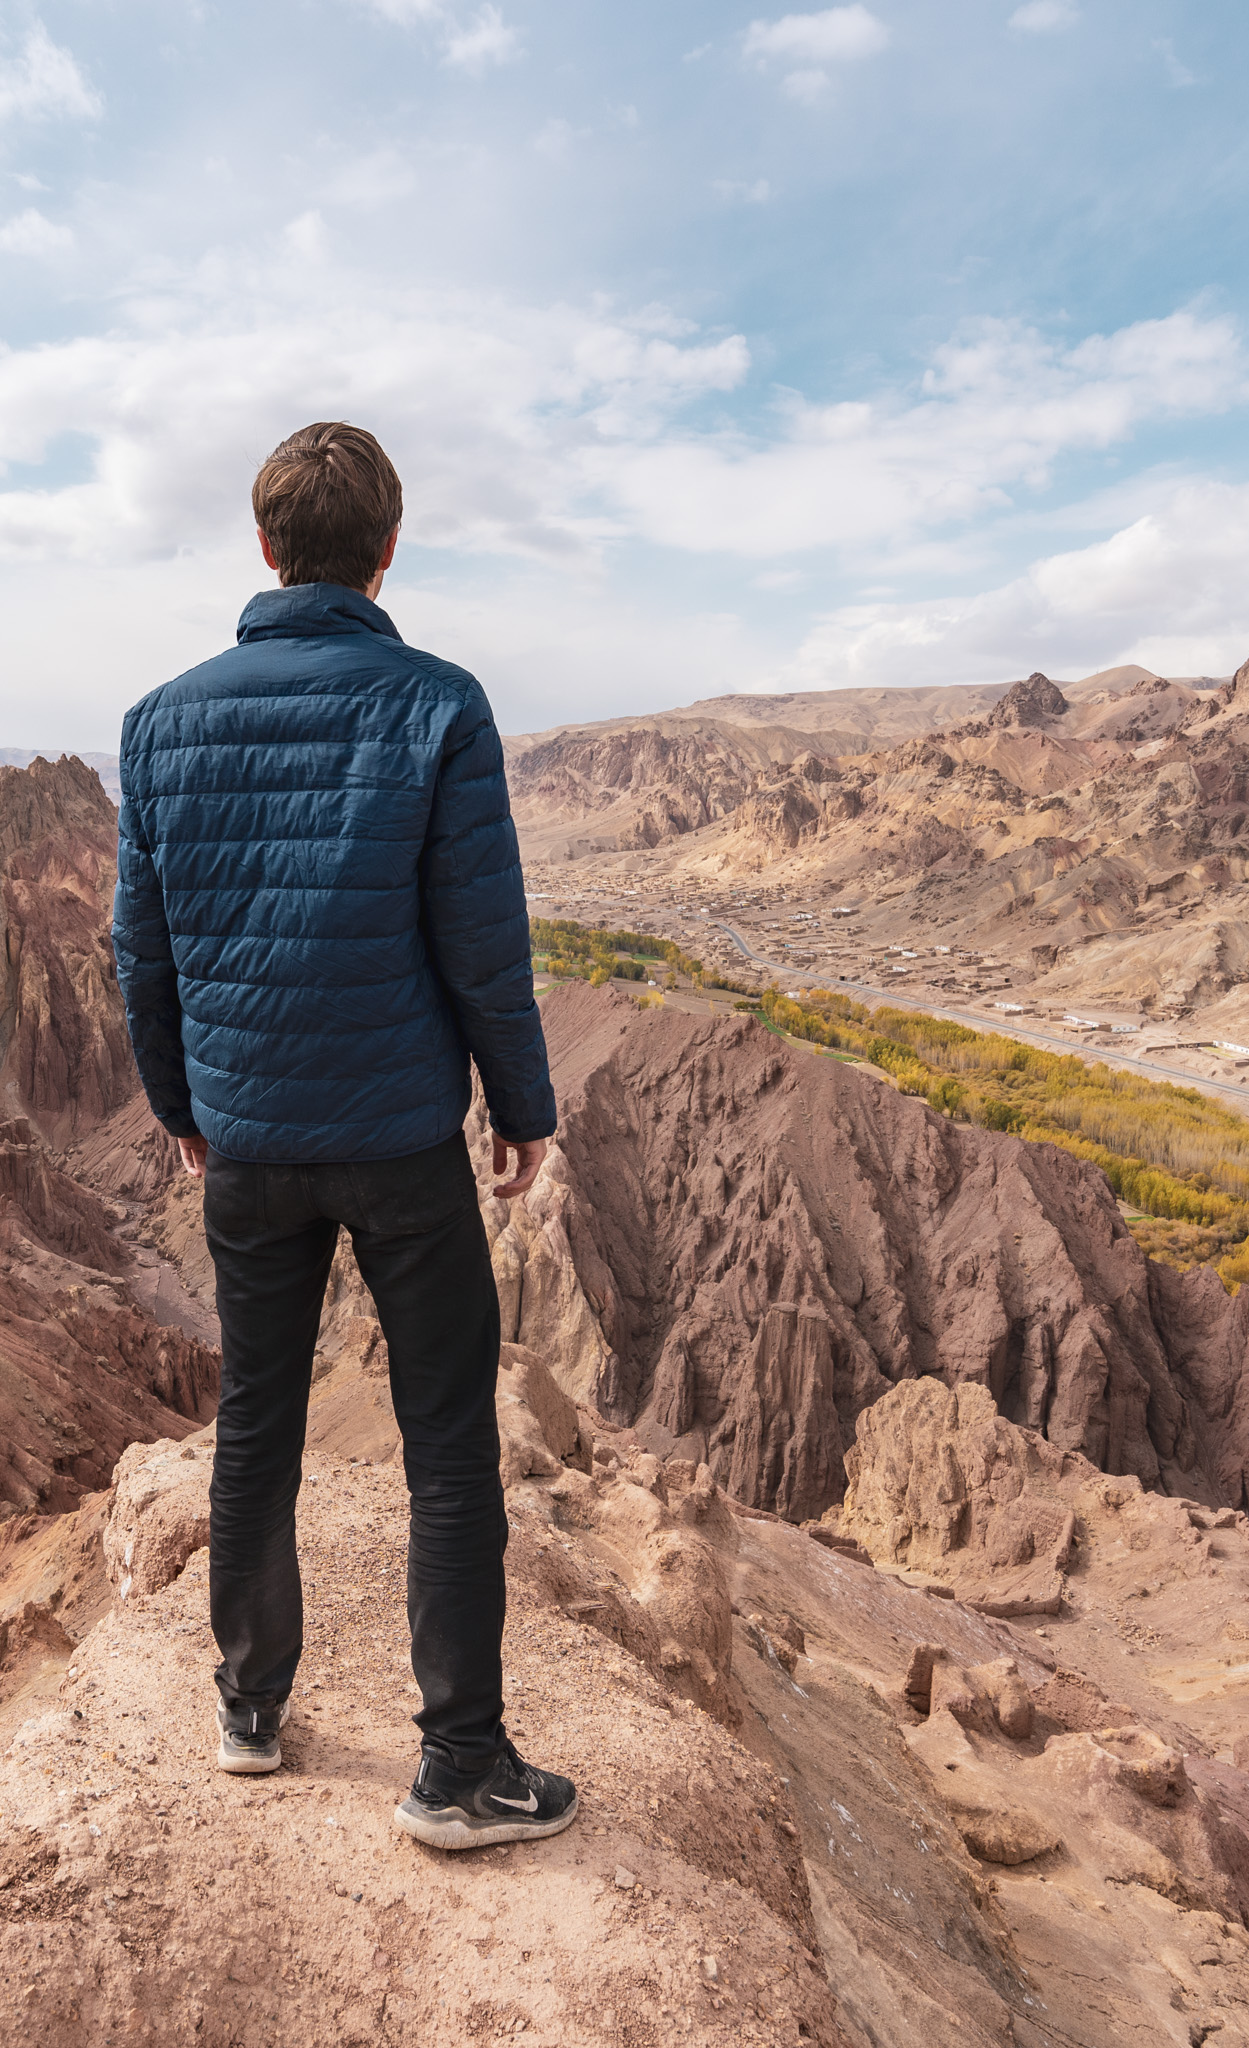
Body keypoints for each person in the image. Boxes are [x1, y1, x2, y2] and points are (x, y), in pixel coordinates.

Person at [112, 421, 578, 1852]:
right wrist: (522, 1106)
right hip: (398, 1145)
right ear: (386, 551)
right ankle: (458, 1769)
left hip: (248, 1144)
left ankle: (250, 1708)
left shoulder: (157, 720)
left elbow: (145, 956)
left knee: (257, 1419)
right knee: (447, 1446)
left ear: (264, 549)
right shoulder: (438, 706)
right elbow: (482, 946)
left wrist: (183, 1106)